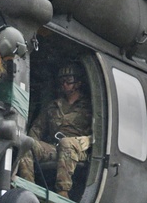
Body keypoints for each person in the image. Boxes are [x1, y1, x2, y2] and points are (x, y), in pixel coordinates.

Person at [17, 62, 93, 196]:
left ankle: (63, 191)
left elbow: (99, 134)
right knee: (27, 143)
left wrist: (87, 141)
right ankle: (28, 188)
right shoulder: (53, 106)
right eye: (62, 81)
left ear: (78, 83)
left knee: (67, 143)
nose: (65, 84)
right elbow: (37, 129)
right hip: (55, 148)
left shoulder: (88, 107)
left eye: (69, 80)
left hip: (78, 150)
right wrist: (33, 144)